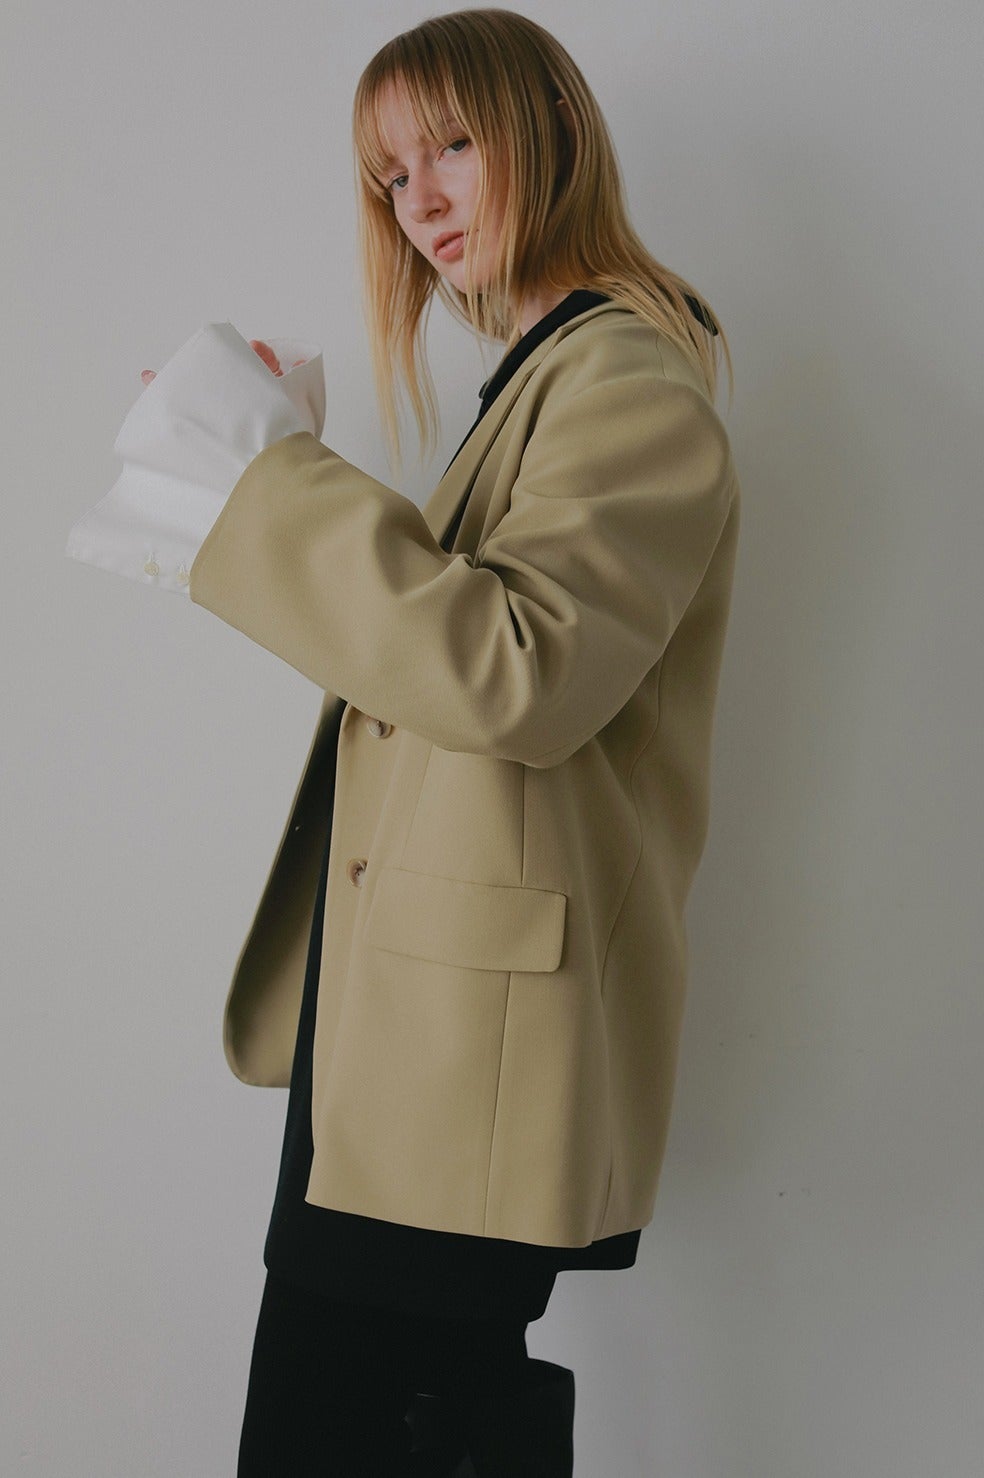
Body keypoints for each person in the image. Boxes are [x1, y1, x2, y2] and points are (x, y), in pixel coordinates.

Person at [69, 9, 741, 1475]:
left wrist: (271, 477)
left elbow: (514, 672)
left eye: (451, 145)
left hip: (468, 1051)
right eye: (389, 175)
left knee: (354, 1425)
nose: (420, 201)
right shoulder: (547, 380)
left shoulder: (628, 378)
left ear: (548, 127)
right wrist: (268, 477)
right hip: (419, 1033)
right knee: (383, 1419)